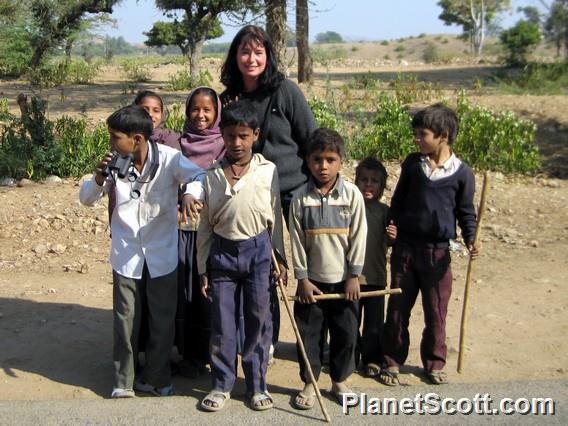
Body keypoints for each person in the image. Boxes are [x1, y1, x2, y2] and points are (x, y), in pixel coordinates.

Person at [79, 105, 204, 398]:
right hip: (126, 254)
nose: (111, 143)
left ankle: (156, 378)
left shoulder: (171, 159)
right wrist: (98, 179)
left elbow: (200, 176)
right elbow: (87, 199)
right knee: (125, 320)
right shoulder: (114, 163)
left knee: (162, 320)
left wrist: (188, 194)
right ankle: (123, 380)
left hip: (162, 253)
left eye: (115, 137)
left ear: (137, 139)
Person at [220, 23, 317, 350]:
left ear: (268, 56)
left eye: (258, 52)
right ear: (235, 56)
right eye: (244, 51)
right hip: (251, 196)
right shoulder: (228, 99)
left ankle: (316, 345)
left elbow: (310, 138)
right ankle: (267, 340)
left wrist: (320, 189)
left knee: (311, 265)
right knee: (268, 265)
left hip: (293, 191)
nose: (251, 58)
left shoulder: (286, 91)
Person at [379, 103, 479, 387]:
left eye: (423, 134)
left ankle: (434, 362)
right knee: (398, 308)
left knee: (436, 311)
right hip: (406, 249)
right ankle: (392, 361)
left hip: (437, 254)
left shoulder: (462, 174)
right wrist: (391, 228)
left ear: (443, 135)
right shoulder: (413, 164)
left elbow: (466, 213)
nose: (417, 139)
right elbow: (398, 201)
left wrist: (471, 239)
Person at [196, 100, 284, 412]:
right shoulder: (211, 175)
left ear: (255, 135)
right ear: (222, 134)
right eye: (230, 136)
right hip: (221, 254)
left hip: (258, 253)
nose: (236, 143)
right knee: (222, 322)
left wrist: (280, 257)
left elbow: (275, 217)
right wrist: (202, 267)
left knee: (259, 321)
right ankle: (221, 384)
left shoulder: (267, 170)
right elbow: (205, 225)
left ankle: (257, 385)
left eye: (243, 136)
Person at [288, 128, 367, 409]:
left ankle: (339, 381)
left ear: (341, 161)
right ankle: (310, 382)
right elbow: (296, 242)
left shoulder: (352, 196)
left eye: (330, 159)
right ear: (308, 161)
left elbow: (359, 237)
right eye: (317, 159)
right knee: (309, 335)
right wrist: (302, 279)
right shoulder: (300, 199)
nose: (323, 166)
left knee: (345, 333)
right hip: (312, 284)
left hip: (345, 282)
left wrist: (354, 276)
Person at [175, 87, 225, 378]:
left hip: (214, 230)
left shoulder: (225, 144)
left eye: (207, 109)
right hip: (183, 230)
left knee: (210, 292)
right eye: (195, 109)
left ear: (217, 112)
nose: (201, 115)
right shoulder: (178, 144)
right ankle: (187, 353)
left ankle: (212, 352)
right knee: (187, 291)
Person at [354, 157, 397, 378]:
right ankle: (349, 357)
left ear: (381, 186)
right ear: (356, 181)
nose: (368, 185)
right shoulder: (350, 207)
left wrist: (393, 237)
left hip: (376, 277)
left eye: (374, 181)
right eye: (364, 180)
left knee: (373, 324)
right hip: (352, 278)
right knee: (350, 321)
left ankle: (371, 359)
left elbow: (390, 242)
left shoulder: (384, 211)